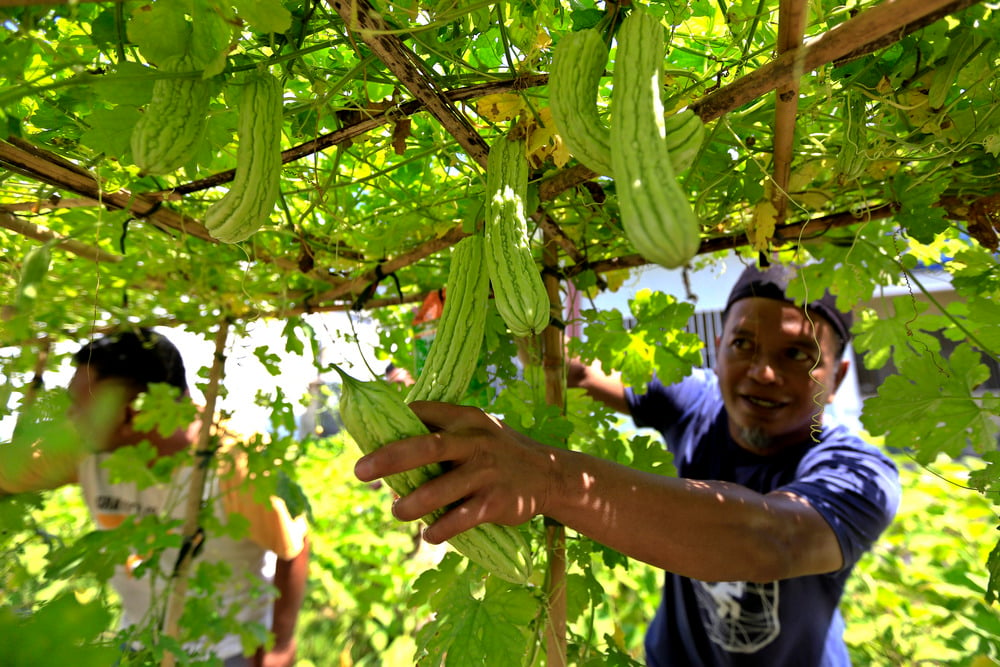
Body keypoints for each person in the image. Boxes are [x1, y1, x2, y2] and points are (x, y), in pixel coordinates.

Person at [352, 262, 901, 666]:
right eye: (743, 344)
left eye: (797, 355)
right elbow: (576, 370)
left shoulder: (859, 472)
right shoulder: (700, 404)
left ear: (839, 373)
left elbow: (769, 541)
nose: (762, 372)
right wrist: (495, 307)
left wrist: (549, 479)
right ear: (718, 351)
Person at [0, 329, 309, 667]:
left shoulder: (237, 462)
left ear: (131, 415)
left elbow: (293, 545)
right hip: (136, 640)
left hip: (225, 650)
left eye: (78, 407)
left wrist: (280, 645)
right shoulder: (80, 447)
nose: (70, 417)